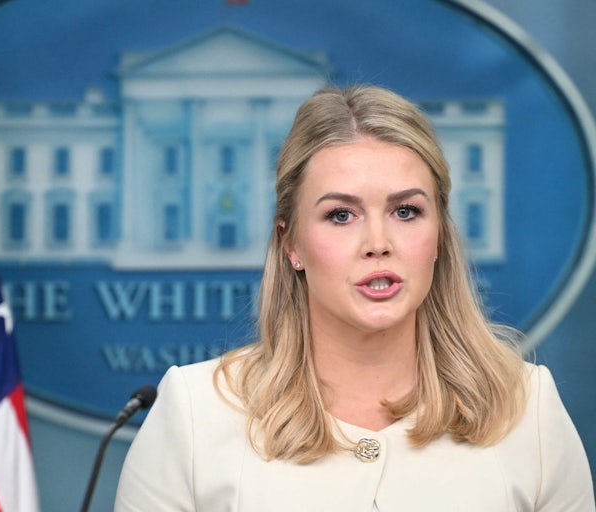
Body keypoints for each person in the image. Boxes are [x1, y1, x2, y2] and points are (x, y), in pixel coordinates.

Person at [114, 85, 595, 511]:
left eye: (406, 211)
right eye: (341, 215)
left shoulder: (527, 408)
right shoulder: (193, 413)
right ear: (291, 244)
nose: (377, 243)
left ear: (440, 236)